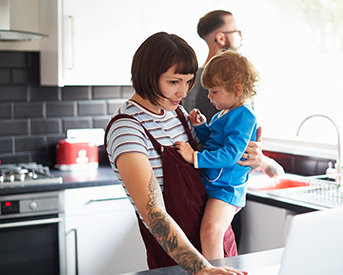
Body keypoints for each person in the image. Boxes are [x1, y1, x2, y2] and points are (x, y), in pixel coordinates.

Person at [104, 32, 246, 275]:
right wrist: (201, 268)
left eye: (188, 81)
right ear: (148, 76)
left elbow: (215, 160)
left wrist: (253, 158)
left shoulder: (178, 114)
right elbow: (154, 214)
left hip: (220, 250)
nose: (183, 92)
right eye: (174, 82)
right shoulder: (127, 129)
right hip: (179, 265)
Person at [176, 50, 259, 260]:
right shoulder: (225, 113)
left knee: (211, 232)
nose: (209, 97)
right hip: (215, 185)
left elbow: (231, 153)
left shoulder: (244, 115)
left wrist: (195, 157)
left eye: (214, 91)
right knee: (208, 233)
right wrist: (201, 126)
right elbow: (214, 142)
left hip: (226, 189)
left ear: (237, 89)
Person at [182, 10, 284, 177]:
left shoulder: (191, 80)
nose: (241, 37)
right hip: (221, 178)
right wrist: (263, 162)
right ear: (221, 38)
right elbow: (223, 144)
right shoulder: (221, 88)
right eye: (237, 32)